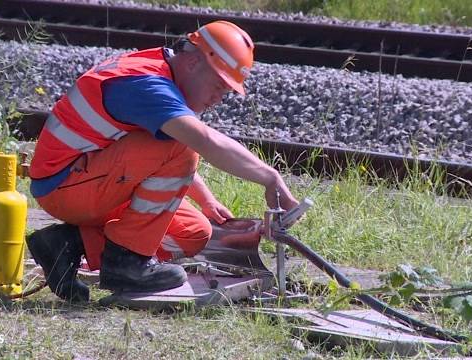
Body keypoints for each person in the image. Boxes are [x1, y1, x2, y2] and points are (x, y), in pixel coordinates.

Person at [26, 20, 299, 302]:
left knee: (193, 232)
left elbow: (148, 153)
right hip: (65, 187)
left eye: (226, 91)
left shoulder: (161, 72)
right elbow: (200, 141)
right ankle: (126, 263)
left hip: (93, 180)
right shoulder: (147, 84)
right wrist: (270, 177)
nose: (219, 98)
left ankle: (66, 244)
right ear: (193, 61)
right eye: (218, 84)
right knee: (184, 142)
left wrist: (206, 200)